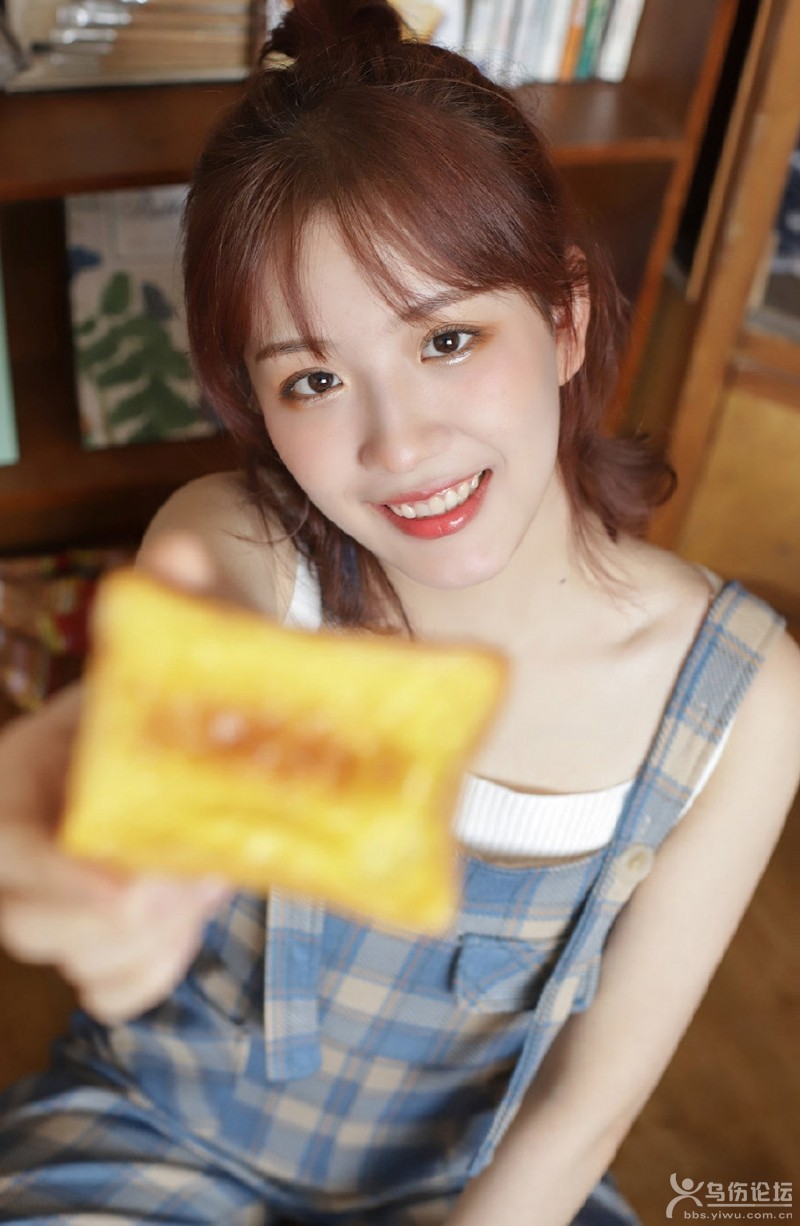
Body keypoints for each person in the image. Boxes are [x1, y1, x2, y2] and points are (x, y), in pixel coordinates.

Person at [0, 1, 798, 1222]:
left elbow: (579, 1113)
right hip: (155, 1135)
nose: (397, 443)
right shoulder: (236, 546)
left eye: (447, 338)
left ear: (565, 317)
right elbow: (179, 690)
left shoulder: (745, 699)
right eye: (314, 376)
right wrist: (80, 805)